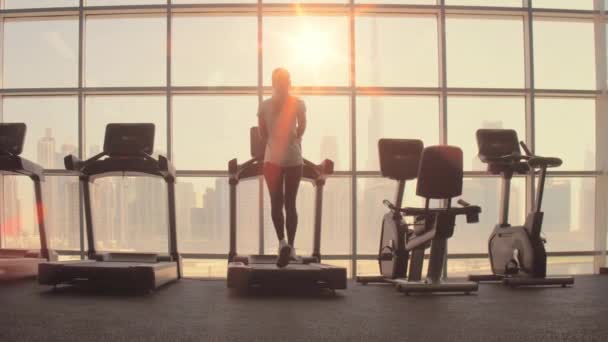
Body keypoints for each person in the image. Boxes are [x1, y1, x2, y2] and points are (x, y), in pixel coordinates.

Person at [257, 68, 307, 268]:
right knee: (290, 204)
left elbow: (261, 133)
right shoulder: (298, 103)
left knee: (276, 203)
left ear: (273, 83)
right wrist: (295, 136)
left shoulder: (264, 105)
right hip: (294, 158)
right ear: (289, 82)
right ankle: (291, 247)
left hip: (272, 160)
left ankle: (282, 243)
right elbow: (303, 125)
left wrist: (273, 138)